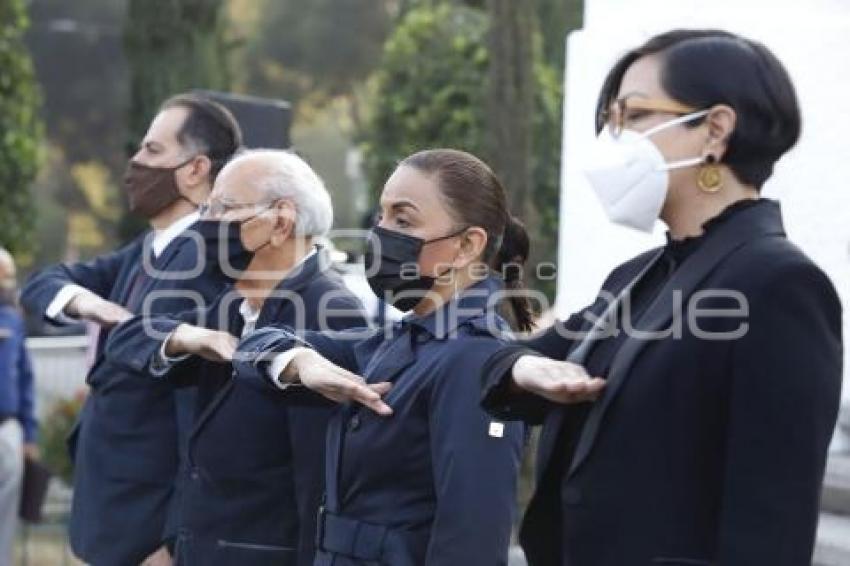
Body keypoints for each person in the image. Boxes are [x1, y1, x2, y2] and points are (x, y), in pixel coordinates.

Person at [479, 29, 844, 566]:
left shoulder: (779, 284)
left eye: (632, 115)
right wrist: (523, 368)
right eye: (611, 120)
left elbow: (770, 523)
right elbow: (518, 360)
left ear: (714, 130)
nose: (614, 139)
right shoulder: (638, 275)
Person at [235, 148, 530, 566]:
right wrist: (303, 363)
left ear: (467, 245)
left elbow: (471, 540)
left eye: (403, 220)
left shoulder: (475, 359)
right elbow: (255, 347)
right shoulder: (399, 340)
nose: (381, 233)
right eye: (382, 216)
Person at [105, 149, 367, 566]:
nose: (206, 224)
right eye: (206, 209)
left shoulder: (330, 309)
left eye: (223, 209)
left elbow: (318, 484)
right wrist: (191, 337)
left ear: (280, 222)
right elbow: (124, 341)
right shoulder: (228, 305)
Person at [21, 93, 242, 565]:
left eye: (153, 151)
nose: (135, 163)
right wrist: (91, 304)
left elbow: (198, 412)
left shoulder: (207, 256)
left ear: (195, 169)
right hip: (107, 514)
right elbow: (43, 283)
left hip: (148, 532)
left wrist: (173, 539)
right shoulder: (147, 249)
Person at [0, 247, 37, 564]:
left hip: (7, 428)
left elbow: (25, 378)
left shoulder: (12, 319)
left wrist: (29, 434)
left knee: (6, 516)